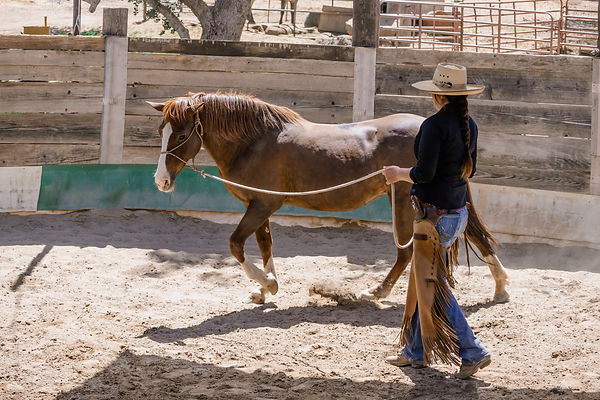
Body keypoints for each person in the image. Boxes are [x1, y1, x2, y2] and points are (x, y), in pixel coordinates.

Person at [382, 63, 491, 379]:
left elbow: (424, 173)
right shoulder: (468, 124)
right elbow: (471, 170)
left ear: (436, 95)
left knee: (433, 284)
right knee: (424, 280)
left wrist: (397, 174)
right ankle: (414, 351)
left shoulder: (432, 126)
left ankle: (472, 350)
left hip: (433, 219)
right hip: (457, 214)